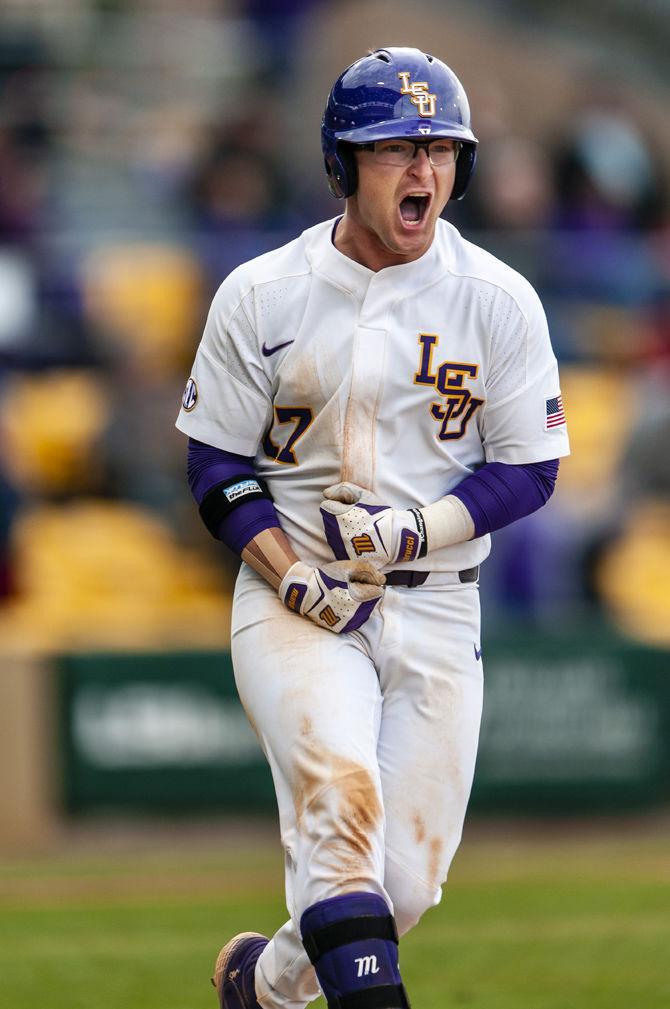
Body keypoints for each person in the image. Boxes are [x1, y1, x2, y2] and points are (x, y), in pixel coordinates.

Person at [176, 47, 570, 1009]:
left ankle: (262, 987)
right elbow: (216, 467)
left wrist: (413, 530)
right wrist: (288, 570)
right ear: (344, 164)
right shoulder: (262, 291)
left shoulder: (498, 297)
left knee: (403, 887)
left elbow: (531, 466)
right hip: (297, 598)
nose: (422, 170)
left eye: (440, 148)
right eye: (394, 147)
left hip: (439, 605)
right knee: (339, 816)